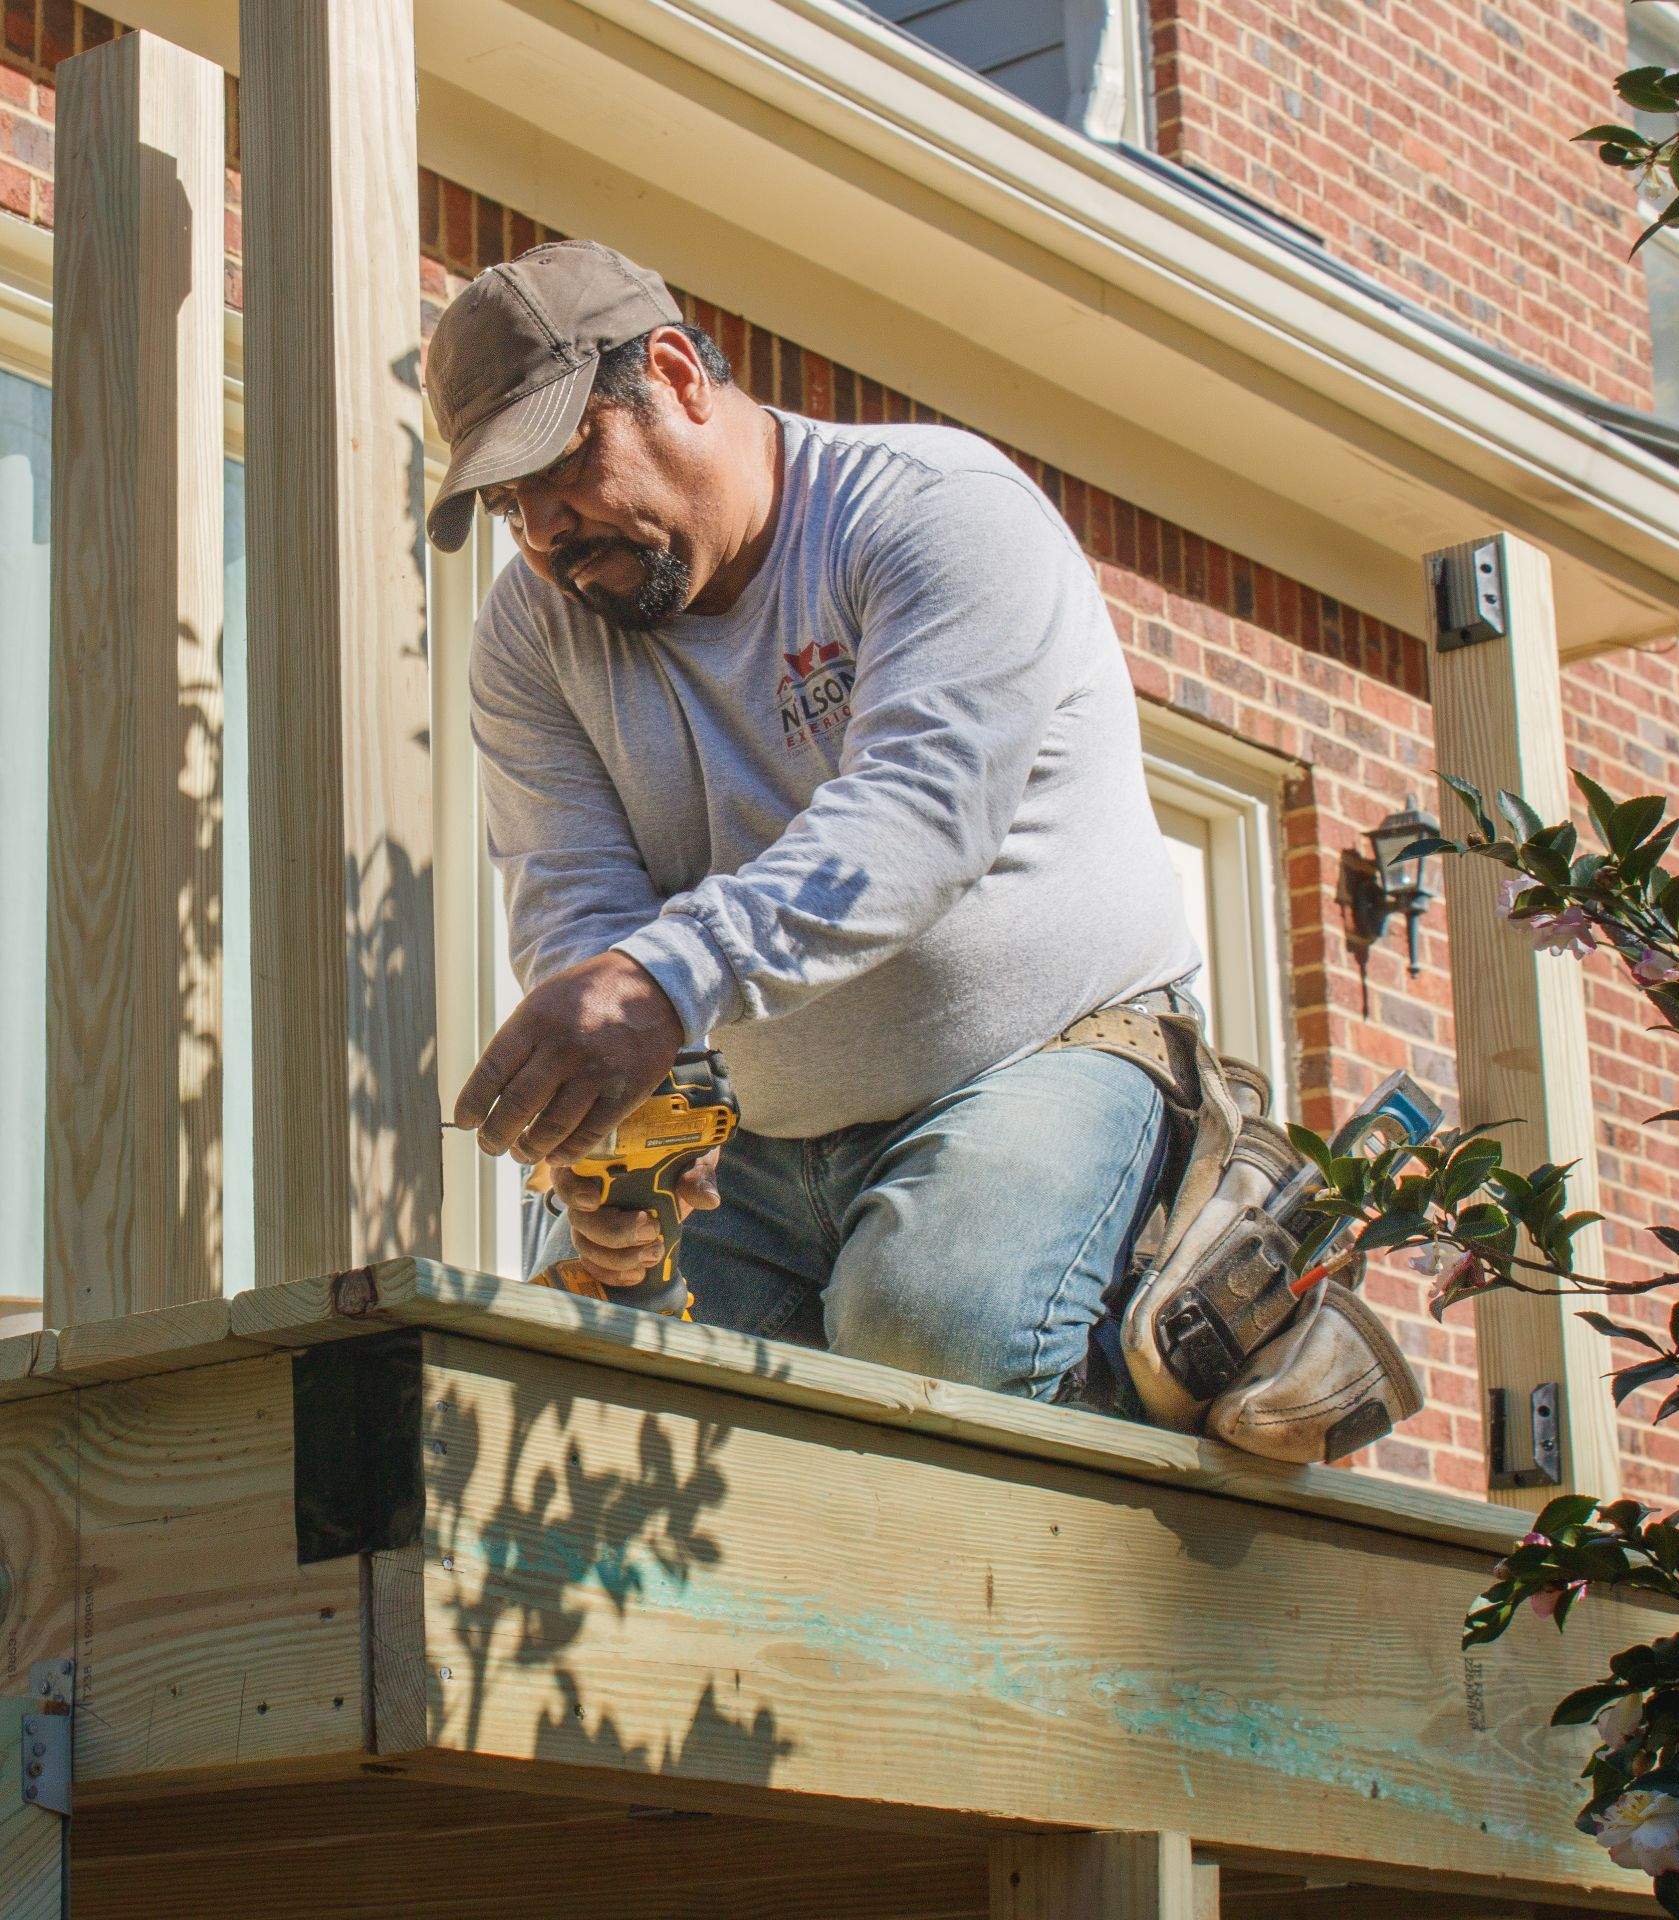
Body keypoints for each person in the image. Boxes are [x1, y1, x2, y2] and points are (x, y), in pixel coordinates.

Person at [431, 239, 1202, 1402]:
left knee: (931, 1327)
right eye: (505, 499)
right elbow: (579, 904)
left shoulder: (935, 513)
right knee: (583, 1391)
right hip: (762, 1128)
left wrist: (658, 989)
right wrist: (631, 1122)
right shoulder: (533, 635)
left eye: (562, 460)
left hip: (1052, 1051)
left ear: (681, 377)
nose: (542, 528)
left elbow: (916, 816)